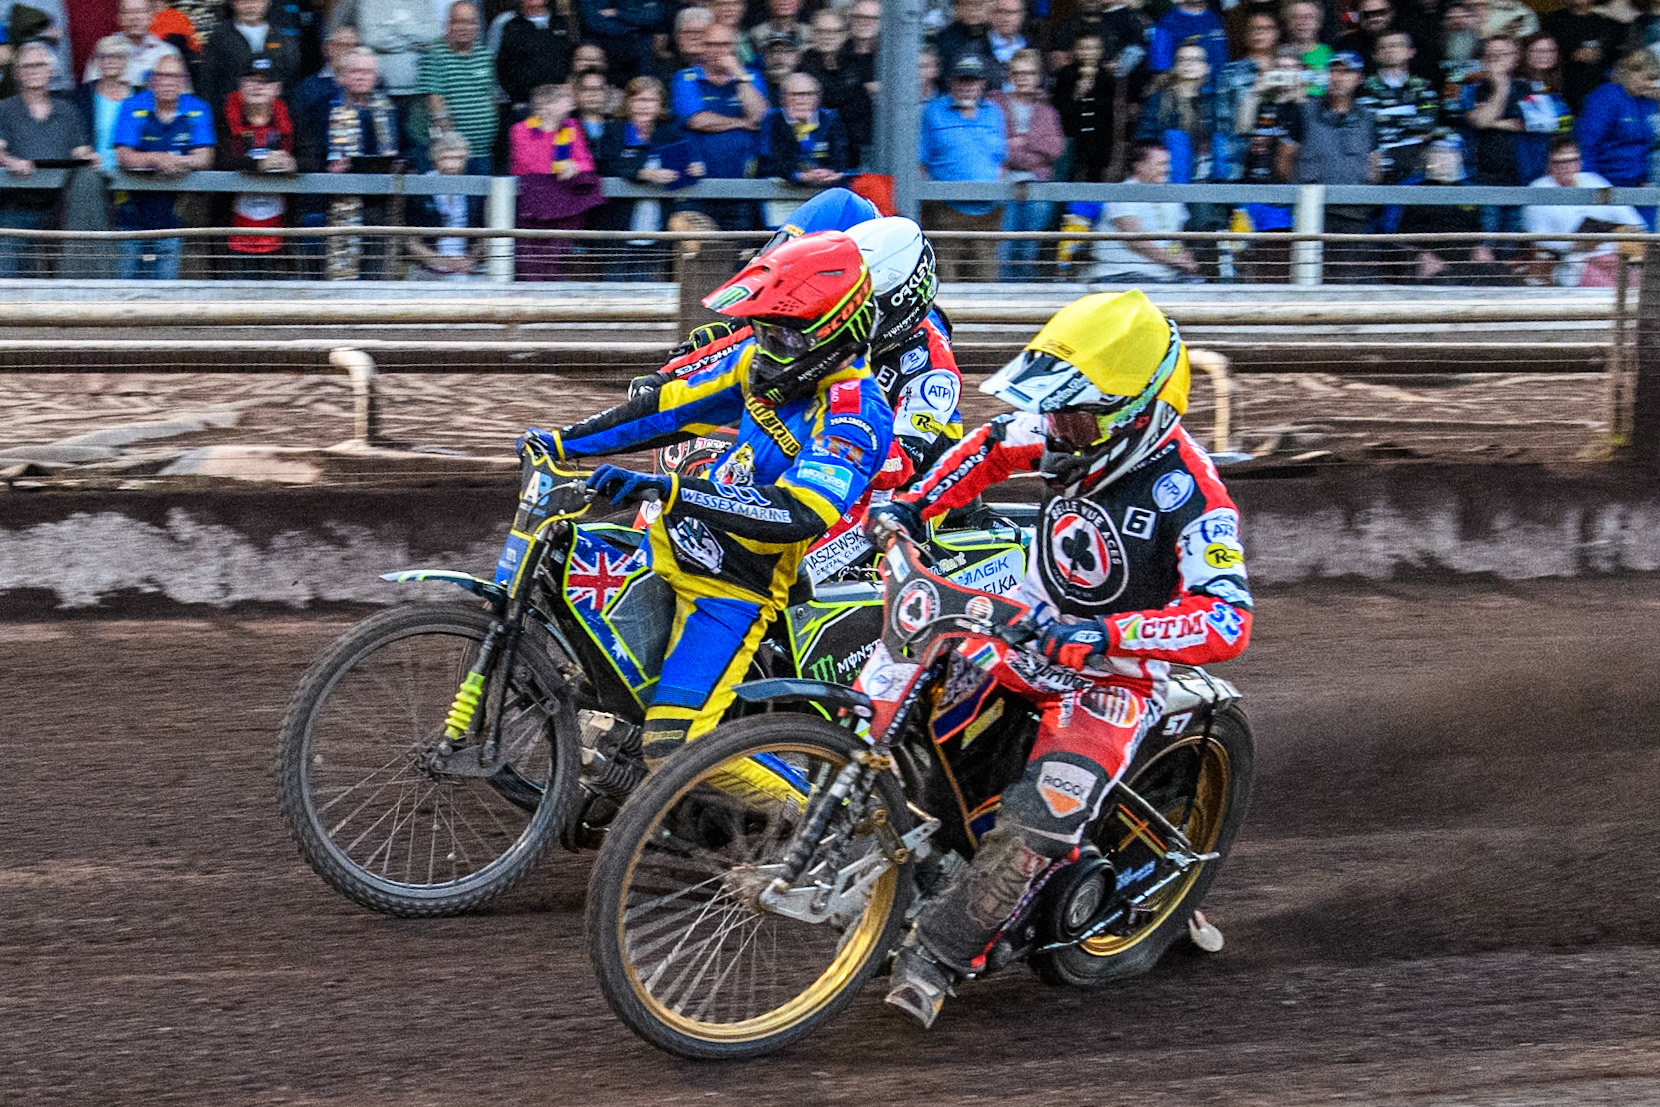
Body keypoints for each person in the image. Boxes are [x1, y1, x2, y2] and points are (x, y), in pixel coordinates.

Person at [872, 288, 1253, 1029]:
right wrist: (911, 504)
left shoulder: (1193, 496)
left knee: (1041, 818)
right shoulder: (1065, 433)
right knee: (903, 697)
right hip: (1024, 626)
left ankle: (940, 956)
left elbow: (1228, 618)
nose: (1059, 425)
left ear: (1136, 410)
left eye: (1077, 412)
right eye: (1056, 409)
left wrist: (1106, 638)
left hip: (1108, 678)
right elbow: (989, 448)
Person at [524, 230, 892, 764]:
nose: (765, 352)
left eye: (782, 340)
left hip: (733, 589)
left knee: (671, 749)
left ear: (831, 337)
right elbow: (665, 409)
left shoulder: (855, 412)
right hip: (665, 549)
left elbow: (798, 514)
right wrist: (560, 441)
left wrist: (674, 489)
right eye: (761, 334)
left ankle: (826, 826)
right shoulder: (755, 365)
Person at [111, 51, 213, 279]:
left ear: (184, 80)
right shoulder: (132, 105)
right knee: (124, 288)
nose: (168, 82)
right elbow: (124, 156)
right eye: (162, 76)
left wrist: (179, 162)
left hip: (173, 217)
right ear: (152, 79)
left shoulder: (198, 107)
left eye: (175, 76)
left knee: (165, 291)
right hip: (131, 214)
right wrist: (157, 159)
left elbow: (205, 156)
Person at [1279, 50, 1379, 279]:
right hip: (1313, 215)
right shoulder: (1303, 112)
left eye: (1347, 71)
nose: (1338, 77)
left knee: (1349, 283)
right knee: (1308, 280)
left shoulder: (1368, 119)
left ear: (1360, 78)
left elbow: (1374, 168)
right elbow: (1284, 161)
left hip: (1355, 218)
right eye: (1333, 70)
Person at [0, 40, 95, 278]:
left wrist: (89, 157)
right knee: (9, 282)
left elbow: (79, 150)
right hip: (15, 209)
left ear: (51, 71)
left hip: (59, 210)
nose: (34, 70)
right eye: (28, 66)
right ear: (18, 73)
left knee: (57, 282)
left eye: (40, 65)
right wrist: (11, 162)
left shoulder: (67, 110)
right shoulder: (5, 109)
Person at [919, 53, 1007, 281]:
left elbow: (1001, 159)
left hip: (988, 213)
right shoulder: (933, 111)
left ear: (983, 84)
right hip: (946, 211)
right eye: (962, 80)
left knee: (986, 279)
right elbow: (920, 162)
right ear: (951, 82)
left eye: (973, 81)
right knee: (945, 278)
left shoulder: (994, 112)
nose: (968, 87)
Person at [674, 19, 767, 231]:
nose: (718, 51)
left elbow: (760, 117)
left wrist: (740, 76)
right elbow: (697, 120)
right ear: (703, 48)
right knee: (696, 256)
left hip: (742, 187)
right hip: (697, 186)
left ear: (734, 47)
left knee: (739, 255)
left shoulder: (750, 77)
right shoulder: (686, 78)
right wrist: (743, 122)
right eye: (712, 45)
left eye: (725, 45)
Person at [318, 47, 401, 279]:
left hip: (380, 203)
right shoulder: (325, 106)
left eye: (367, 72)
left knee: (376, 271)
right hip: (337, 200)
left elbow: (402, 149)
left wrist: (398, 163)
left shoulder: (388, 109)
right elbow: (311, 152)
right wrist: (328, 165)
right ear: (342, 75)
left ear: (375, 77)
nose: (362, 76)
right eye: (355, 71)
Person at [1523, 134, 1644, 284]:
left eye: (1571, 160)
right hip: (1571, 261)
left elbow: (1630, 218)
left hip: (1610, 254)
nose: (1566, 166)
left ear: (1579, 163)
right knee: (1608, 291)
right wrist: (1574, 245)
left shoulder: (1594, 180)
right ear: (1550, 165)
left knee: (1640, 282)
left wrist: (1625, 232)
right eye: (1559, 162)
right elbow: (1537, 239)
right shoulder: (1538, 189)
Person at [593, 74, 681, 279]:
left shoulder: (669, 134)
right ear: (628, 102)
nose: (644, 106)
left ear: (661, 105)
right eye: (638, 99)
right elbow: (609, 165)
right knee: (614, 286)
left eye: (650, 100)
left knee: (650, 289)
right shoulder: (614, 131)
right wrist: (644, 173)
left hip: (657, 229)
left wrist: (692, 168)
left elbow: (680, 171)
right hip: (618, 227)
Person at [1393, 132, 1511, 284]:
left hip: (1467, 259)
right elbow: (1391, 233)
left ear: (1460, 157)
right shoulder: (1410, 189)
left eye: (1450, 153)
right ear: (1428, 156)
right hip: (1425, 259)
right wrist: (1418, 254)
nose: (1444, 158)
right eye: (1438, 152)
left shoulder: (1474, 192)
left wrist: (1483, 246)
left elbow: (1488, 230)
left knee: (1495, 277)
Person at [510, 81, 600, 279]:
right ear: (546, 106)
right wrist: (559, 165)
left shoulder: (572, 126)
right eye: (563, 100)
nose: (570, 103)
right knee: (528, 263)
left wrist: (575, 166)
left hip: (563, 203)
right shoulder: (521, 129)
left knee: (552, 261)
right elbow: (528, 163)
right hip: (532, 202)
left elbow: (585, 161)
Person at [218, 55, 296, 277]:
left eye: (265, 82)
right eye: (250, 80)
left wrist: (293, 162)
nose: (257, 87)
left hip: (280, 225)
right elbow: (220, 159)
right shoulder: (225, 117)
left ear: (277, 88)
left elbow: (312, 157)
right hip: (233, 226)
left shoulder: (291, 118)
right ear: (241, 85)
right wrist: (257, 164)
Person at [991, 48, 1065, 280]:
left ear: (1037, 77)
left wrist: (1020, 143)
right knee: (1003, 249)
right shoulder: (995, 104)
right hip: (1002, 185)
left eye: (1029, 73)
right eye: (1018, 73)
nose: (1023, 78)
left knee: (1027, 252)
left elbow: (1055, 149)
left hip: (1037, 186)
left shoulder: (1047, 111)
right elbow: (996, 148)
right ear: (1010, 76)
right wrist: (1033, 151)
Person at [1087, 141, 1200, 282]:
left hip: (1165, 279)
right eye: (1160, 164)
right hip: (1122, 275)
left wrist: (1183, 257)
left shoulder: (1172, 196)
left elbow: (1174, 240)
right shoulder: (1123, 193)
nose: (1167, 169)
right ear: (1139, 166)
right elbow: (1135, 240)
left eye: (1167, 163)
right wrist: (1174, 260)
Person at [416, 0, 496, 174]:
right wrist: (452, 143)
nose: (465, 27)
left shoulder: (484, 55)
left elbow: (492, 97)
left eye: (471, 22)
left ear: (478, 26)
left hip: (483, 152)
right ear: (448, 24)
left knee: (481, 201)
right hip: (451, 155)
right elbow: (435, 104)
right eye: (459, 21)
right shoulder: (434, 53)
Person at [1358, 30, 1440, 182]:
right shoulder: (1363, 89)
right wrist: (1408, 121)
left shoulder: (1423, 87)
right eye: (1383, 47)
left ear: (1411, 52)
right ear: (1375, 55)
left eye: (1396, 45)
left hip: (1417, 167)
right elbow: (1368, 128)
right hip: (1378, 166)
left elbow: (1427, 125)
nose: (1389, 50)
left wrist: (1388, 120)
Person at [328, 0, 441, 110]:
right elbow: (372, 38)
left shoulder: (424, 2)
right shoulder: (370, 3)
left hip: (420, 86)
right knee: (382, 126)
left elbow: (433, 35)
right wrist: (413, 43)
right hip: (381, 86)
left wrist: (395, 30)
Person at [1577, 48, 1658, 192]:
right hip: (1606, 182)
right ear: (1631, 73)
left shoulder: (1649, 102)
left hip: (1639, 183)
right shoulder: (1607, 97)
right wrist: (1587, 183)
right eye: (1647, 78)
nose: (1650, 84)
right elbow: (1588, 143)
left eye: (1655, 79)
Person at [197, 0, 300, 112]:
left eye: (256, 1)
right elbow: (207, 82)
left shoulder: (281, 37)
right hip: (230, 116)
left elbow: (291, 80)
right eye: (244, 1)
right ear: (232, 3)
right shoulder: (220, 37)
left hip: (275, 119)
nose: (250, 5)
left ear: (268, 2)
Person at [407, 131, 484, 279]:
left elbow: (484, 236)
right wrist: (441, 261)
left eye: (458, 158)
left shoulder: (474, 189)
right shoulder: (421, 188)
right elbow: (411, 242)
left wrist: (470, 259)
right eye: (445, 158)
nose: (451, 165)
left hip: (467, 265)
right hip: (430, 265)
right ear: (436, 159)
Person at [799, 8, 872, 163]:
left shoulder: (857, 64)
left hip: (854, 143)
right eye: (821, 31)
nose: (827, 37)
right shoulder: (802, 65)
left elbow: (862, 106)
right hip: (815, 144)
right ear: (813, 34)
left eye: (833, 32)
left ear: (844, 35)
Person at [761, 72, 851, 195]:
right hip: (780, 189)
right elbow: (768, 160)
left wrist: (829, 171)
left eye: (808, 94)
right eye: (794, 95)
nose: (801, 100)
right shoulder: (772, 120)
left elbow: (841, 157)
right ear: (782, 98)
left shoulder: (830, 119)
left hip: (822, 189)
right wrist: (799, 176)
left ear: (818, 98)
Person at [1052, 32, 1118, 182]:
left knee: (1093, 183)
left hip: (1097, 141)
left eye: (1093, 49)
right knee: (1066, 178)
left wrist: (1107, 155)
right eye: (1084, 48)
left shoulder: (1106, 78)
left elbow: (1108, 116)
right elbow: (1058, 109)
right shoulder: (1066, 74)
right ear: (1076, 50)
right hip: (1071, 139)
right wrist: (1076, 93)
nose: (1089, 53)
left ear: (1101, 51)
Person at [496, 0, 574, 112]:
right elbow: (503, 66)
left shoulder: (561, 23)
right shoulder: (512, 26)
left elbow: (572, 58)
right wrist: (517, 97)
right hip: (526, 104)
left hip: (560, 101)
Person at [1544, 0, 1622, 111]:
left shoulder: (1606, 23)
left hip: (1598, 88)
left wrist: (1598, 54)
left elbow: (1614, 56)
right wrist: (1572, 55)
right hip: (1563, 87)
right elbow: (1543, 52)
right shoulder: (1553, 20)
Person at [85, 0, 182, 88]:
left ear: (151, 15)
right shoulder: (105, 51)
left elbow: (184, 97)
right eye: (128, 12)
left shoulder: (167, 52)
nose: (135, 17)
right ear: (119, 17)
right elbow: (89, 94)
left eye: (140, 11)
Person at [75, 35, 136, 170]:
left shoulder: (139, 96)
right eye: (104, 56)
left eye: (118, 56)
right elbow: (74, 136)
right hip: (94, 172)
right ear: (96, 61)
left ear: (126, 61)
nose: (110, 61)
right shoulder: (82, 96)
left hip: (134, 174)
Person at [574, 0, 663, 81]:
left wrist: (618, 13)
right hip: (603, 43)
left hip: (638, 47)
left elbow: (653, 17)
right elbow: (594, 22)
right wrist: (632, 26)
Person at [1150, 0, 1229, 81]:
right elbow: (1161, 71)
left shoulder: (1215, 17)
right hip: (1190, 89)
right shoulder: (1166, 23)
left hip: (1222, 86)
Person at [933, 0, 998, 82]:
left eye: (978, 5)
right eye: (967, 4)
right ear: (957, 8)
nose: (973, 10)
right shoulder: (944, 40)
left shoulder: (997, 34)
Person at [1336, 0, 1397, 68]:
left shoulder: (1404, 39)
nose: (1374, 18)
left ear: (1391, 13)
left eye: (1380, 12)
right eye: (1367, 14)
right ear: (1358, 16)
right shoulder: (1345, 43)